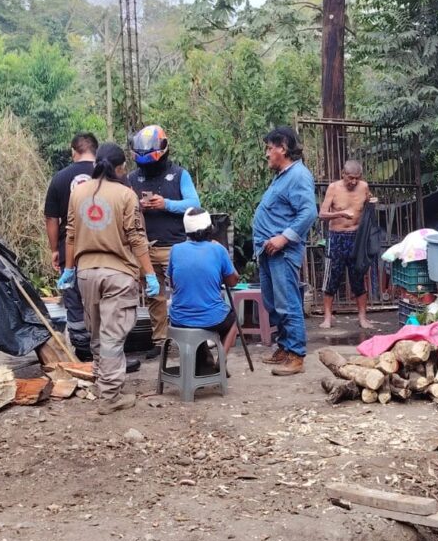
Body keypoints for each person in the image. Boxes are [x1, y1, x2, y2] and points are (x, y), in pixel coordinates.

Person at [59, 143, 160, 415]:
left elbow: (70, 234)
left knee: (96, 332)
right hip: (118, 273)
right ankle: (111, 395)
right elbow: (137, 237)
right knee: (113, 335)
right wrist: (150, 274)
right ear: (121, 168)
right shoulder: (126, 195)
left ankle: (101, 382)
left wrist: (68, 269)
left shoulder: (78, 192)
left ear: (96, 165)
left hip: (86, 273)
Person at [128, 124, 202, 358]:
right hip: (145, 248)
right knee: (154, 297)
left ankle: (188, 337)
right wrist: (137, 207)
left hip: (175, 246)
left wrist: (166, 204)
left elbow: (194, 204)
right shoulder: (132, 178)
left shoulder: (180, 174)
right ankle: (160, 342)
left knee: (183, 292)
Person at [253, 127, 317, 376]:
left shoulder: (298, 175)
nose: (267, 154)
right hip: (268, 251)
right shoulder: (282, 176)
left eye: (270, 148)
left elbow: (308, 212)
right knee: (273, 303)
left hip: (282, 252)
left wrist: (283, 238)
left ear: (283, 148)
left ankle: (296, 355)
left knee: (287, 303)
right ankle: (284, 347)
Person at [43, 133, 97, 360]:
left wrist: (55, 249)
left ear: (74, 151)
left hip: (71, 250)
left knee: (74, 300)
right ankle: (108, 350)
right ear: (95, 150)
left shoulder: (60, 178)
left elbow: (51, 218)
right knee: (104, 299)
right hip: (103, 249)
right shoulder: (107, 175)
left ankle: (84, 352)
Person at [169, 208, 240, 369]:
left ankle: (206, 358)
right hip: (210, 317)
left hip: (179, 319)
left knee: (197, 322)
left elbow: (173, 284)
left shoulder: (176, 250)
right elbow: (233, 282)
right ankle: (222, 359)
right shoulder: (218, 250)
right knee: (232, 320)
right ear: (210, 229)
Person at [318, 160, 374, 330]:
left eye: (357, 178)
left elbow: (369, 204)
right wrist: (340, 213)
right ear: (343, 174)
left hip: (356, 237)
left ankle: (362, 317)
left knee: (358, 276)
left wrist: (372, 202)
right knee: (332, 277)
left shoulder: (364, 187)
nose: (354, 181)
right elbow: (322, 214)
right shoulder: (333, 188)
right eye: (350, 178)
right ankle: (328, 317)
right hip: (336, 236)